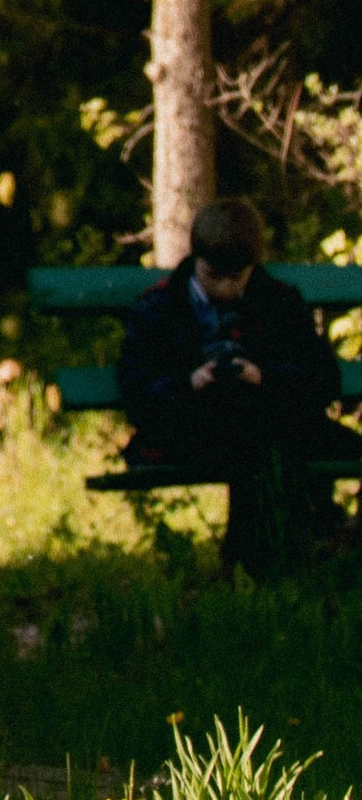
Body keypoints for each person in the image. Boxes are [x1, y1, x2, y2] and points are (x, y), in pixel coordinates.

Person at [117, 199, 354, 573]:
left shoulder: (279, 301)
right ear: (196, 259)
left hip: (266, 419)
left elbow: (322, 380)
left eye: (237, 278)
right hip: (189, 426)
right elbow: (137, 389)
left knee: (265, 430)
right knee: (263, 436)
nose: (226, 288)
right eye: (214, 277)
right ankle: (279, 551)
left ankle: (269, 556)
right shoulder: (161, 306)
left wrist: (264, 377)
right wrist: (191, 382)